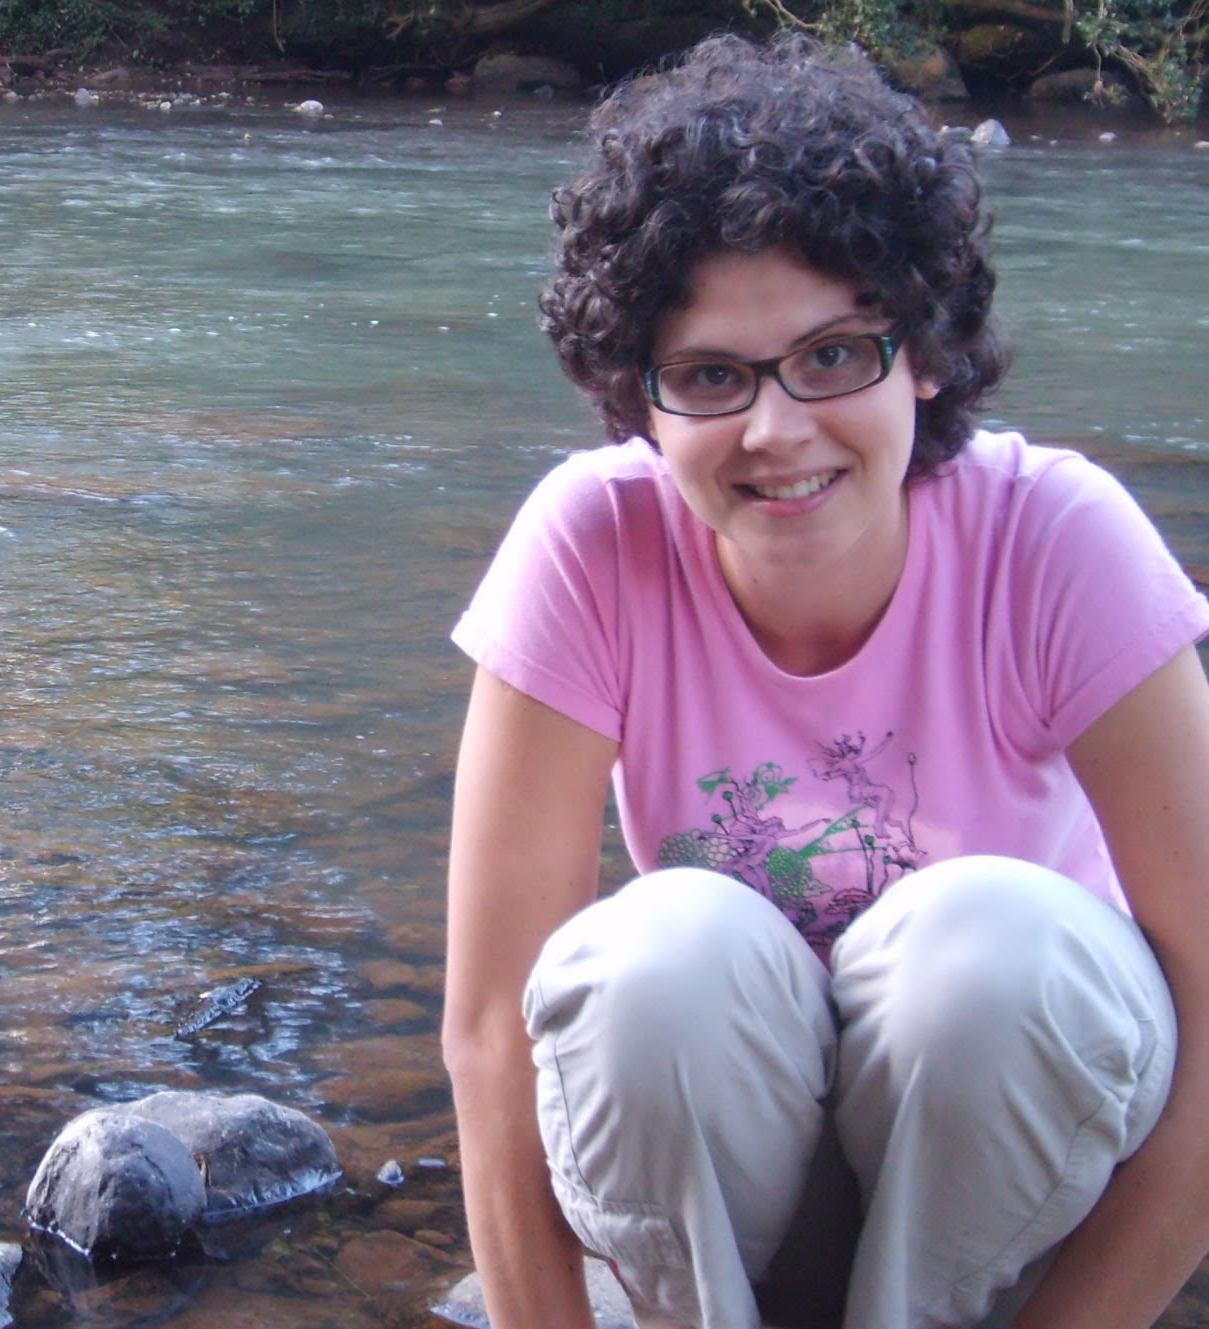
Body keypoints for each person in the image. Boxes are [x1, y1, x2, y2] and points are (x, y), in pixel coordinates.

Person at [441, 31, 1209, 1329]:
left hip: (1008, 1192)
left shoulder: (1055, 537)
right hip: (731, 1208)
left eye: (835, 355)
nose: (775, 428)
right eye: (709, 376)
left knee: (992, 948)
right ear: (638, 399)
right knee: (653, 960)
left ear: (924, 350)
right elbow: (482, 1036)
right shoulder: (591, 544)